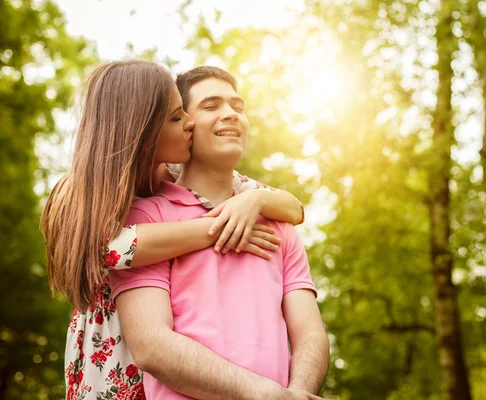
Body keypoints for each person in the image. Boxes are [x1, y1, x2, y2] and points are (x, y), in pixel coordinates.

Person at [40, 60, 306, 400]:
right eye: (176, 117)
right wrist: (216, 227)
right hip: (111, 359)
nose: (190, 123)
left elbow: (293, 208)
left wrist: (254, 201)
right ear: (142, 127)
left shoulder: (174, 175)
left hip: (169, 365)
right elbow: (113, 249)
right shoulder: (79, 190)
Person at [110, 66, 329, 400]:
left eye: (238, 107)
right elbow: (151, 346)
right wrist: (269, 396)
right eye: (211, 106)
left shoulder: (277, 224)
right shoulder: (145, 218)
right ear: (183, 124)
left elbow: (310, 333)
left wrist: (298, 392)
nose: (231, 114)